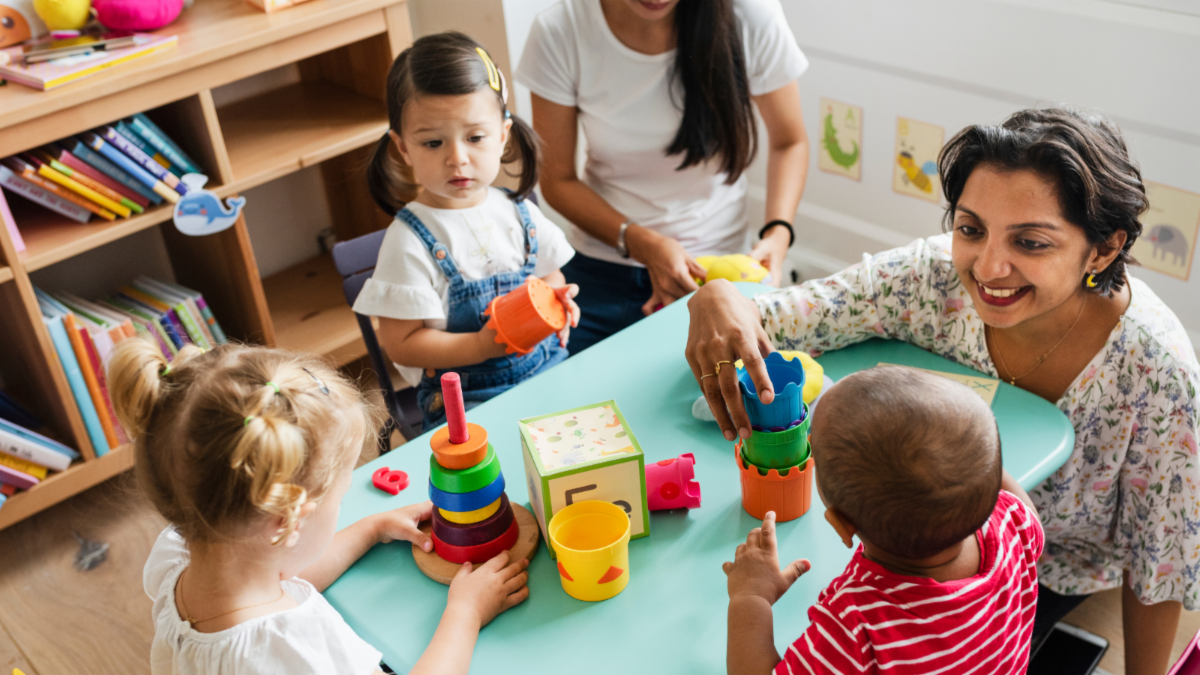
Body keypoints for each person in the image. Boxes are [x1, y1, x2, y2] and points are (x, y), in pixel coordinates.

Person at [688, 107, 1200, 675]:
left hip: (1049, 569)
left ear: (1103, 249)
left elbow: (1162, 559)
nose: (989, 267)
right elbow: (785, 316)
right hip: (937, 544)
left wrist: (750, 602)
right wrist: (718, 296)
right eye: (971, 229)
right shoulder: (927, 278)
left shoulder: (1158, 369)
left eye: (1031, 242)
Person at [109, 340, 529, 674]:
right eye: (340, 499)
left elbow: (280, 574)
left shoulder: (179, 558)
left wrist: (371, 529)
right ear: (287, 520)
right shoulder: (293, 649)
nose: (342, 506)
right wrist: (465, 613)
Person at [516, 0, 810, 353]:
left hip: (717, 271)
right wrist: (644, 244)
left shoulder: (750, 15)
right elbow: (557, 180)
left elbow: (789, 142)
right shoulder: (560, 29)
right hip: (602, 267)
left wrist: (778, 233)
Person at [724, 368, 1045, 674]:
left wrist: (751, 597)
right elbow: (993, 479)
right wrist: (960, 450)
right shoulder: (1015, 524)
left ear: (842, 525)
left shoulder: (856, 627)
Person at [356, 32, 580, 428]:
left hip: (547, 367)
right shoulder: (408, 241)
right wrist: (480, 345)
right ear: (403, 148)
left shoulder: (518, 211)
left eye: (475, 138)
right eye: (433, 143)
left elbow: (550, 275)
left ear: (503, 136)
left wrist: (554, 300)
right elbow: (402, 345)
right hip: (467, 400)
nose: (457, 158)